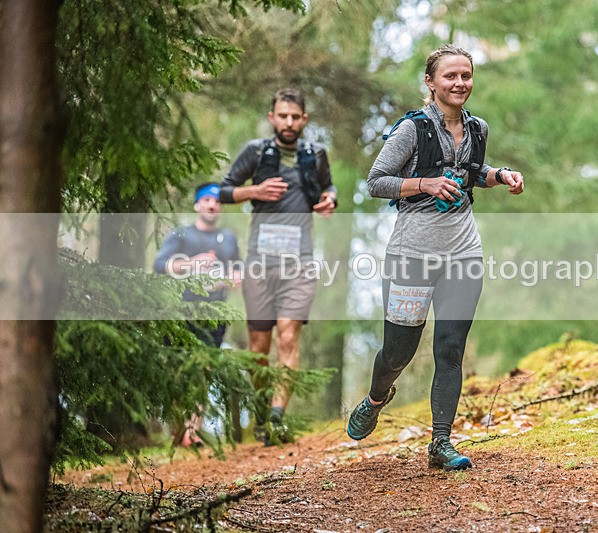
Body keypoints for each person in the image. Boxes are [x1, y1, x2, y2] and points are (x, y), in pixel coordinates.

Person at [347, 44, 524, 470]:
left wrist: (499, 176)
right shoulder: (412, 130)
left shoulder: (478, 128)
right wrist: (423, 185)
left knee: (450, 350)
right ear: (430, 82)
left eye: (466, 76)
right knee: (397, 353)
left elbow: (469, 170)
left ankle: (440, 442)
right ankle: (376, 398)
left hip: (463, 253)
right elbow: (376, 182)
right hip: (412, 255)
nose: (460, 83)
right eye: (450, 76)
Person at [219, 88, 337, 445]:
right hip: (259, 263)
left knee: (288, 336)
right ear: (272, 118)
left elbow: (329, 187)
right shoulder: (256, 152)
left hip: (299, 263)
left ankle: (277, 417)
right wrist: (253, 192)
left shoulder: (315, 154)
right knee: (258, 346)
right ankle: (258, 412)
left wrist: (330, 200)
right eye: (282, 115)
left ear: (304, 119)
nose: (289, 122)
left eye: (295, 116)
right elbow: (222, 191)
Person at [153, 182, 242, 446]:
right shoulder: (181, 234)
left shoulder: (229, 238)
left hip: (214, 315)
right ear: (197, 205)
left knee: (204, 369)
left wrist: (235, 277)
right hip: (180, 312)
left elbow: (239, 268)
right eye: (206, 201)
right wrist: (191, 264)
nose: (212, 205)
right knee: (179, 370)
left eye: (217, 201)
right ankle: (179, 427)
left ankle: (192, 431)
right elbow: (159, 265)